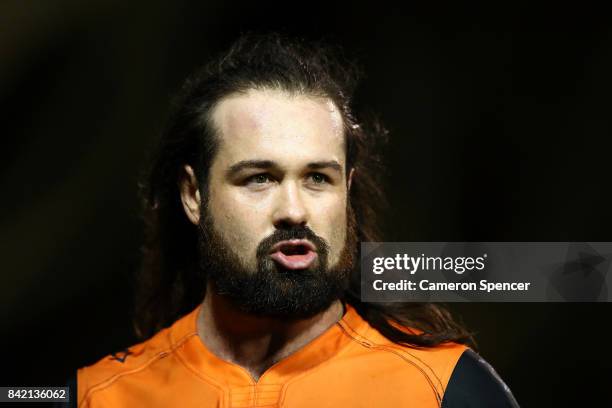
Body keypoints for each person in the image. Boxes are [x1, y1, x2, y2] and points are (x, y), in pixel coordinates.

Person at [77, 33, 519, 407]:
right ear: (194, 196)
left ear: (346, 189)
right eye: (259, 178)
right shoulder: (97, 395)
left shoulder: (447, 389)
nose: (294, 210)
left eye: (317, 178)